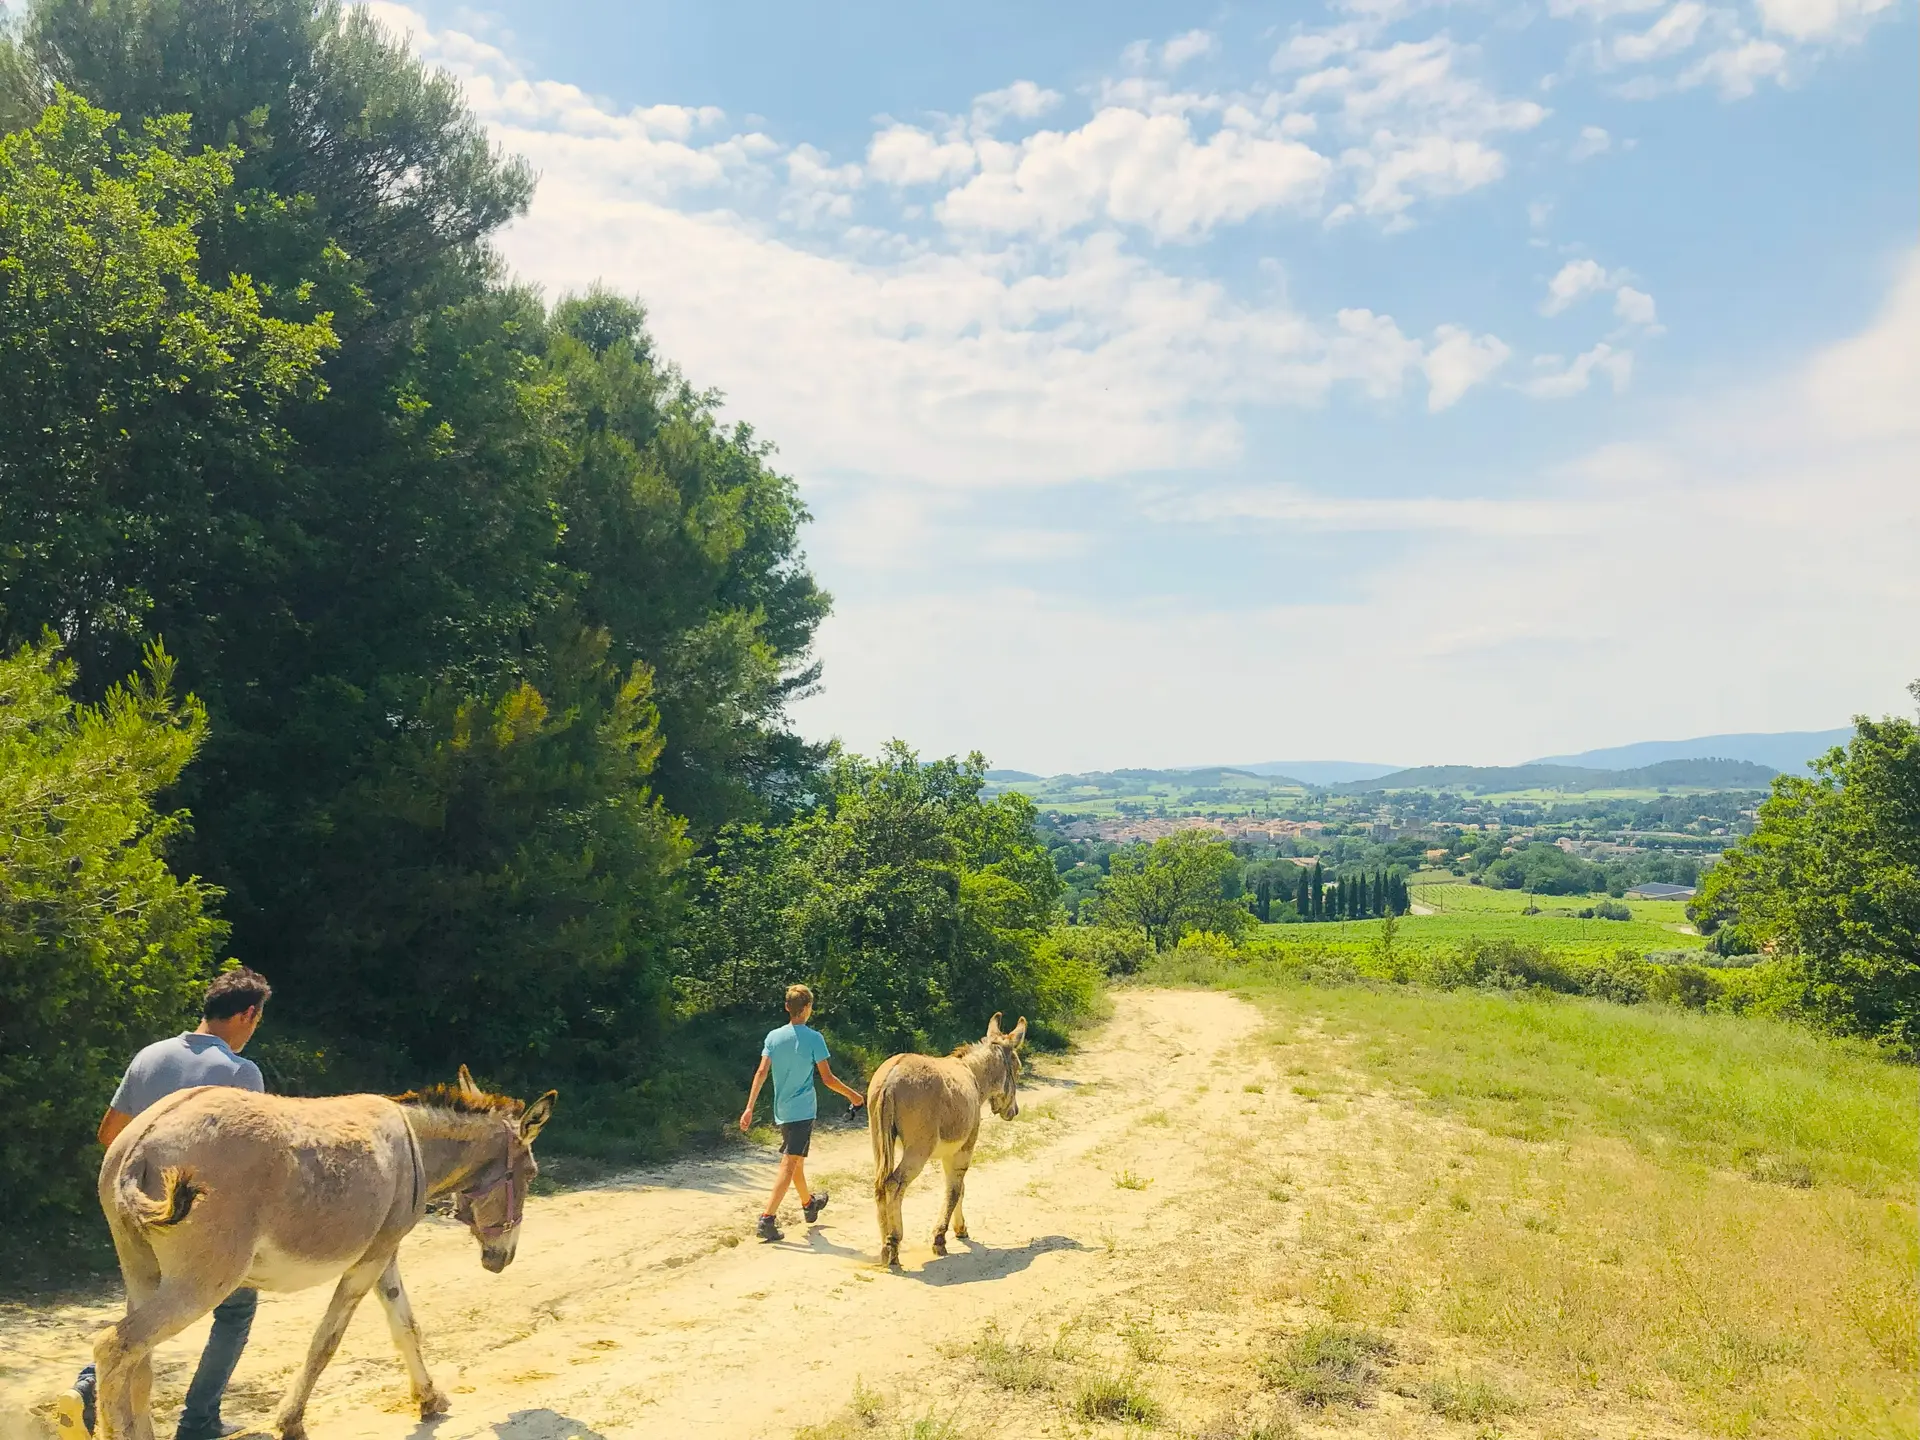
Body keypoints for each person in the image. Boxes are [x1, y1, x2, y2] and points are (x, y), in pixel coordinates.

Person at [55, 968, 274, 1440]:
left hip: (132, 1199)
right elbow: (256, 1162)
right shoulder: (240, 1072)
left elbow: (111, 1135)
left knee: (143, 1304)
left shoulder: (149, 1056)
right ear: (247, 1013)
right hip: (199, 1212)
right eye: (256, 1020)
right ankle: (200, 1422)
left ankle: (88, 1390)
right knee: (234, 1309)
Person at [737, 983, 865, 1242]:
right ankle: (767, 1219)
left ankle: (809, 1204)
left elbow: (761, 1073)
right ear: (807, 1008)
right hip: (803, 1111)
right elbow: (827, 1079)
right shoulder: (814, 1038)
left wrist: (749, 1107)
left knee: (796, 1161)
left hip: (782, 1109)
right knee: (789, 1163)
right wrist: (854, 1096)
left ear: (787, 1007)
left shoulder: (773, 1037)